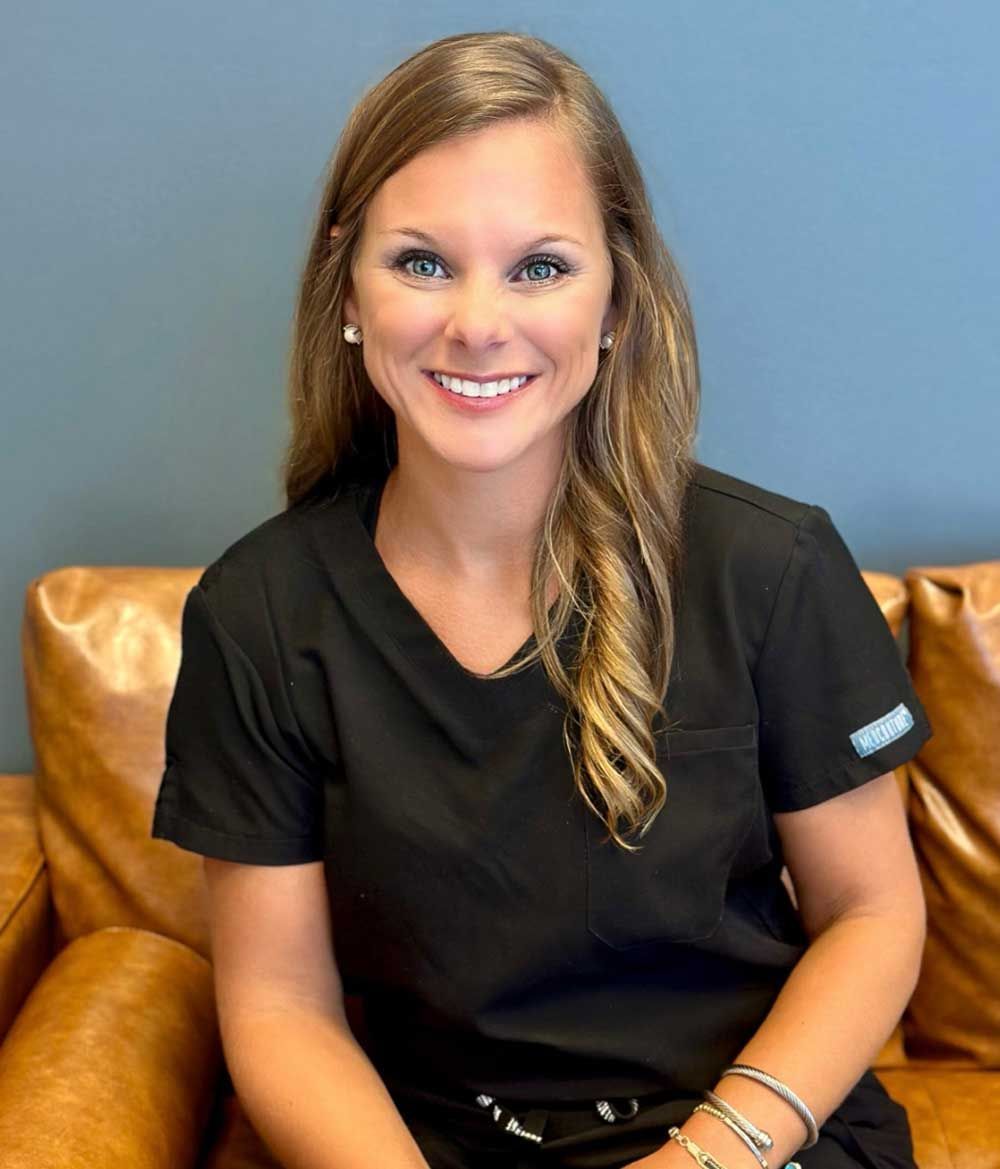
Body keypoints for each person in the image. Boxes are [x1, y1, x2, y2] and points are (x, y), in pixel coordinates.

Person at [150, 29, 932, 1169]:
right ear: (347, 288)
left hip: (751, 1143)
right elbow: (279, 1009)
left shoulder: (769, 565)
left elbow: (873, 916)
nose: (477, 322)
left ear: (615, 299)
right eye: (421, 261)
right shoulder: (259, 613)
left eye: (539, 266)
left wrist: (706, 1157)